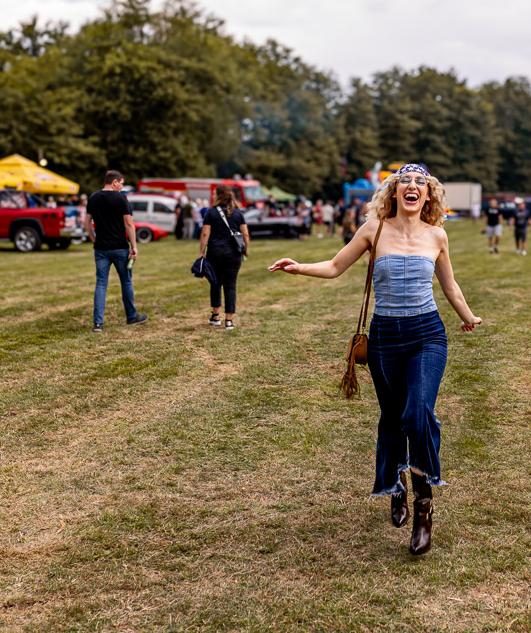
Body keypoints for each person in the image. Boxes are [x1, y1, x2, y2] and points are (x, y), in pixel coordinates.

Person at [269, 163, 481, 556]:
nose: (412, 186)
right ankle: (396, 484)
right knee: (393, 419)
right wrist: (299, 267)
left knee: (417, 413)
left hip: (427, 335)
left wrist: (468, 317)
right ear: (395, 192)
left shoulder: (437, 235)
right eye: (405, 181)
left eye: (420, 182)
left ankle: (423, 506)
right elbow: (335, 266)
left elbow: (449, 284)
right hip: (384, 338)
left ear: (428, 195)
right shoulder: (374, 230)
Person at [83, 170, 148, 331]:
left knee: (101, 284)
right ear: (114, 182)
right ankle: (131, 316)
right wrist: (134, 246)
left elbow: (86, 222)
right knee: (126, 281)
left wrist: (93, 239)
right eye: (121, 184)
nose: (121, 187)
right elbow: (129, 224)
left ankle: (98, 323)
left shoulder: (93, 197)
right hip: (120, 247)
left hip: (101, 248)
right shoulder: (121, 198)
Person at [199, 186, 250, 329]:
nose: (212, 195)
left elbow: (205, 233)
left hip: (215, 252)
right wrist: (245, 250)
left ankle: (216, 316)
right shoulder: (238, 212)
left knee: (215, 283)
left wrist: (202, 251)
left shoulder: (211, 212)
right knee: (230, 285)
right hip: (233, 253)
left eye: (214, 193)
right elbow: (245, 233)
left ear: (219, 195)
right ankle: (229, 321)